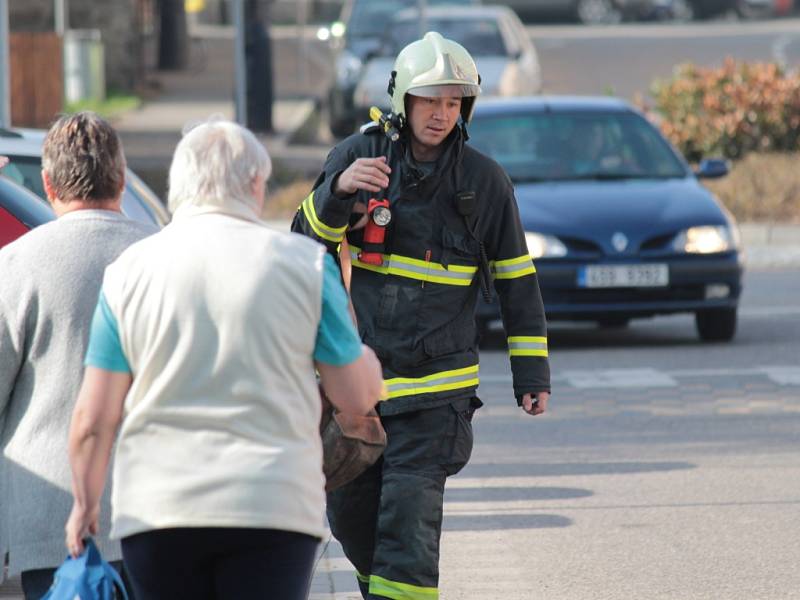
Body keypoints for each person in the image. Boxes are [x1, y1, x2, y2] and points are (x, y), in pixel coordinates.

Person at [63, 119, 384, 600]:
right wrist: (369, 363)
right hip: (272, 507)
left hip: (160, 509)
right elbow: (354, 397)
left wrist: (86, 502)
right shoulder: (305, 266)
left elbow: (93, 416)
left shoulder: (129, 272)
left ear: (179, 186)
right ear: (256, 184)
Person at [292, 31, 552, 600]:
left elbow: (517, 282)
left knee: (407, 529)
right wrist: (337, 195)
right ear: (402, 100)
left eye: (454, 102)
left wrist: (531, 376)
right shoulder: (358, 158)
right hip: (358, 393)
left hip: (437, 397)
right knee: (353, 523)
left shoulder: (484, 183)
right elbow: (302, 249)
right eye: (430, 100)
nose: (441, 114)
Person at [0, 112, 156, 598]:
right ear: (122, 179)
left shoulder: (16, 265)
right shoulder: (164, 256)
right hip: (162, 507)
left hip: (51, 514)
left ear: (47, 183)